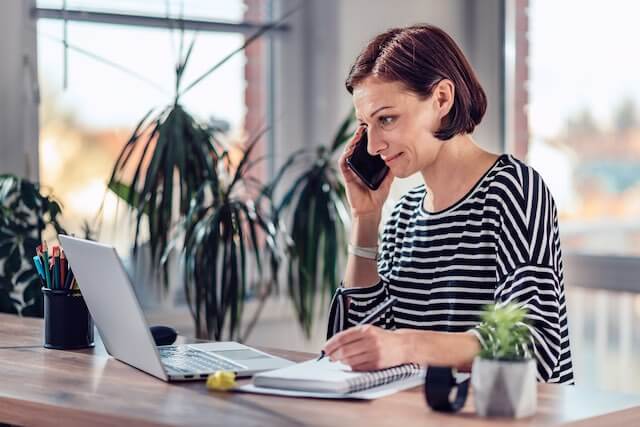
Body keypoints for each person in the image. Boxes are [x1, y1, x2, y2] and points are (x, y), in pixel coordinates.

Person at [322, 24, 573, 384]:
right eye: (366, 125)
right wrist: (365, 219)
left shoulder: (515, 190)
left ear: (441, 99)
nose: (373, 145)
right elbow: (354, 351)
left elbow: (533, 345)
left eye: (387, 119)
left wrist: (406, 345)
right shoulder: (402, 217)